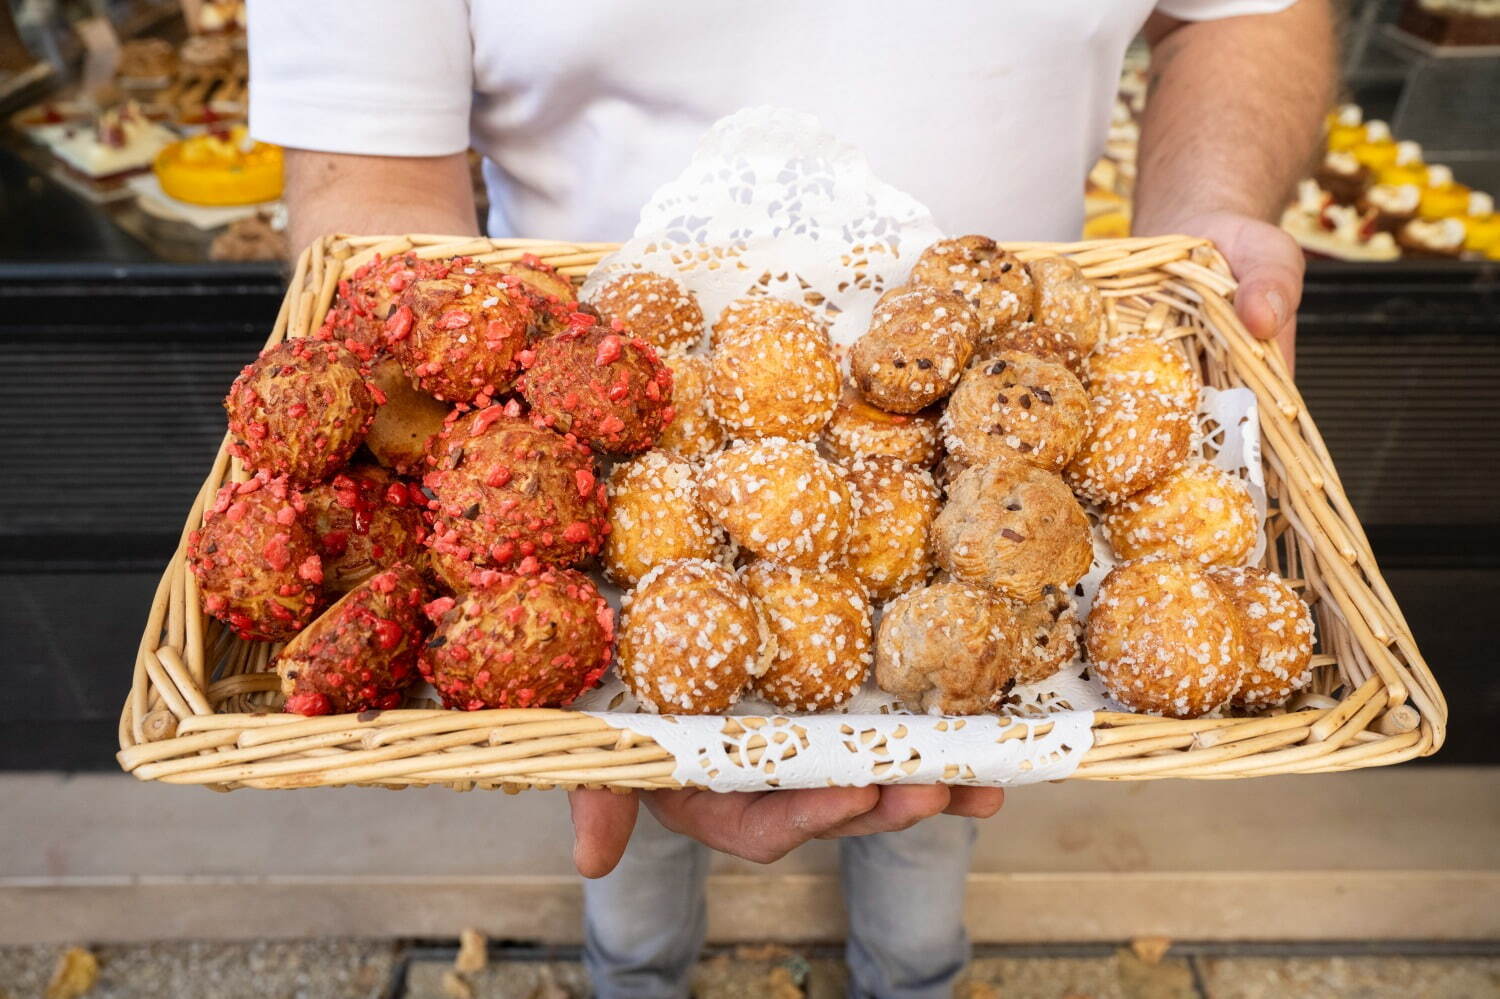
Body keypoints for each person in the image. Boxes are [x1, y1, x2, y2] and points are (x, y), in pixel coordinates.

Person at [248, 3, 1333, 995]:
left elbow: (1241, 14)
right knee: (627, 859)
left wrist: (1212, 219)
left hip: (1000, 382)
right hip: (589, 417)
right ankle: (634, 973)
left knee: (933, 805)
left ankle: (915, 973)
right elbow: (372, 186)